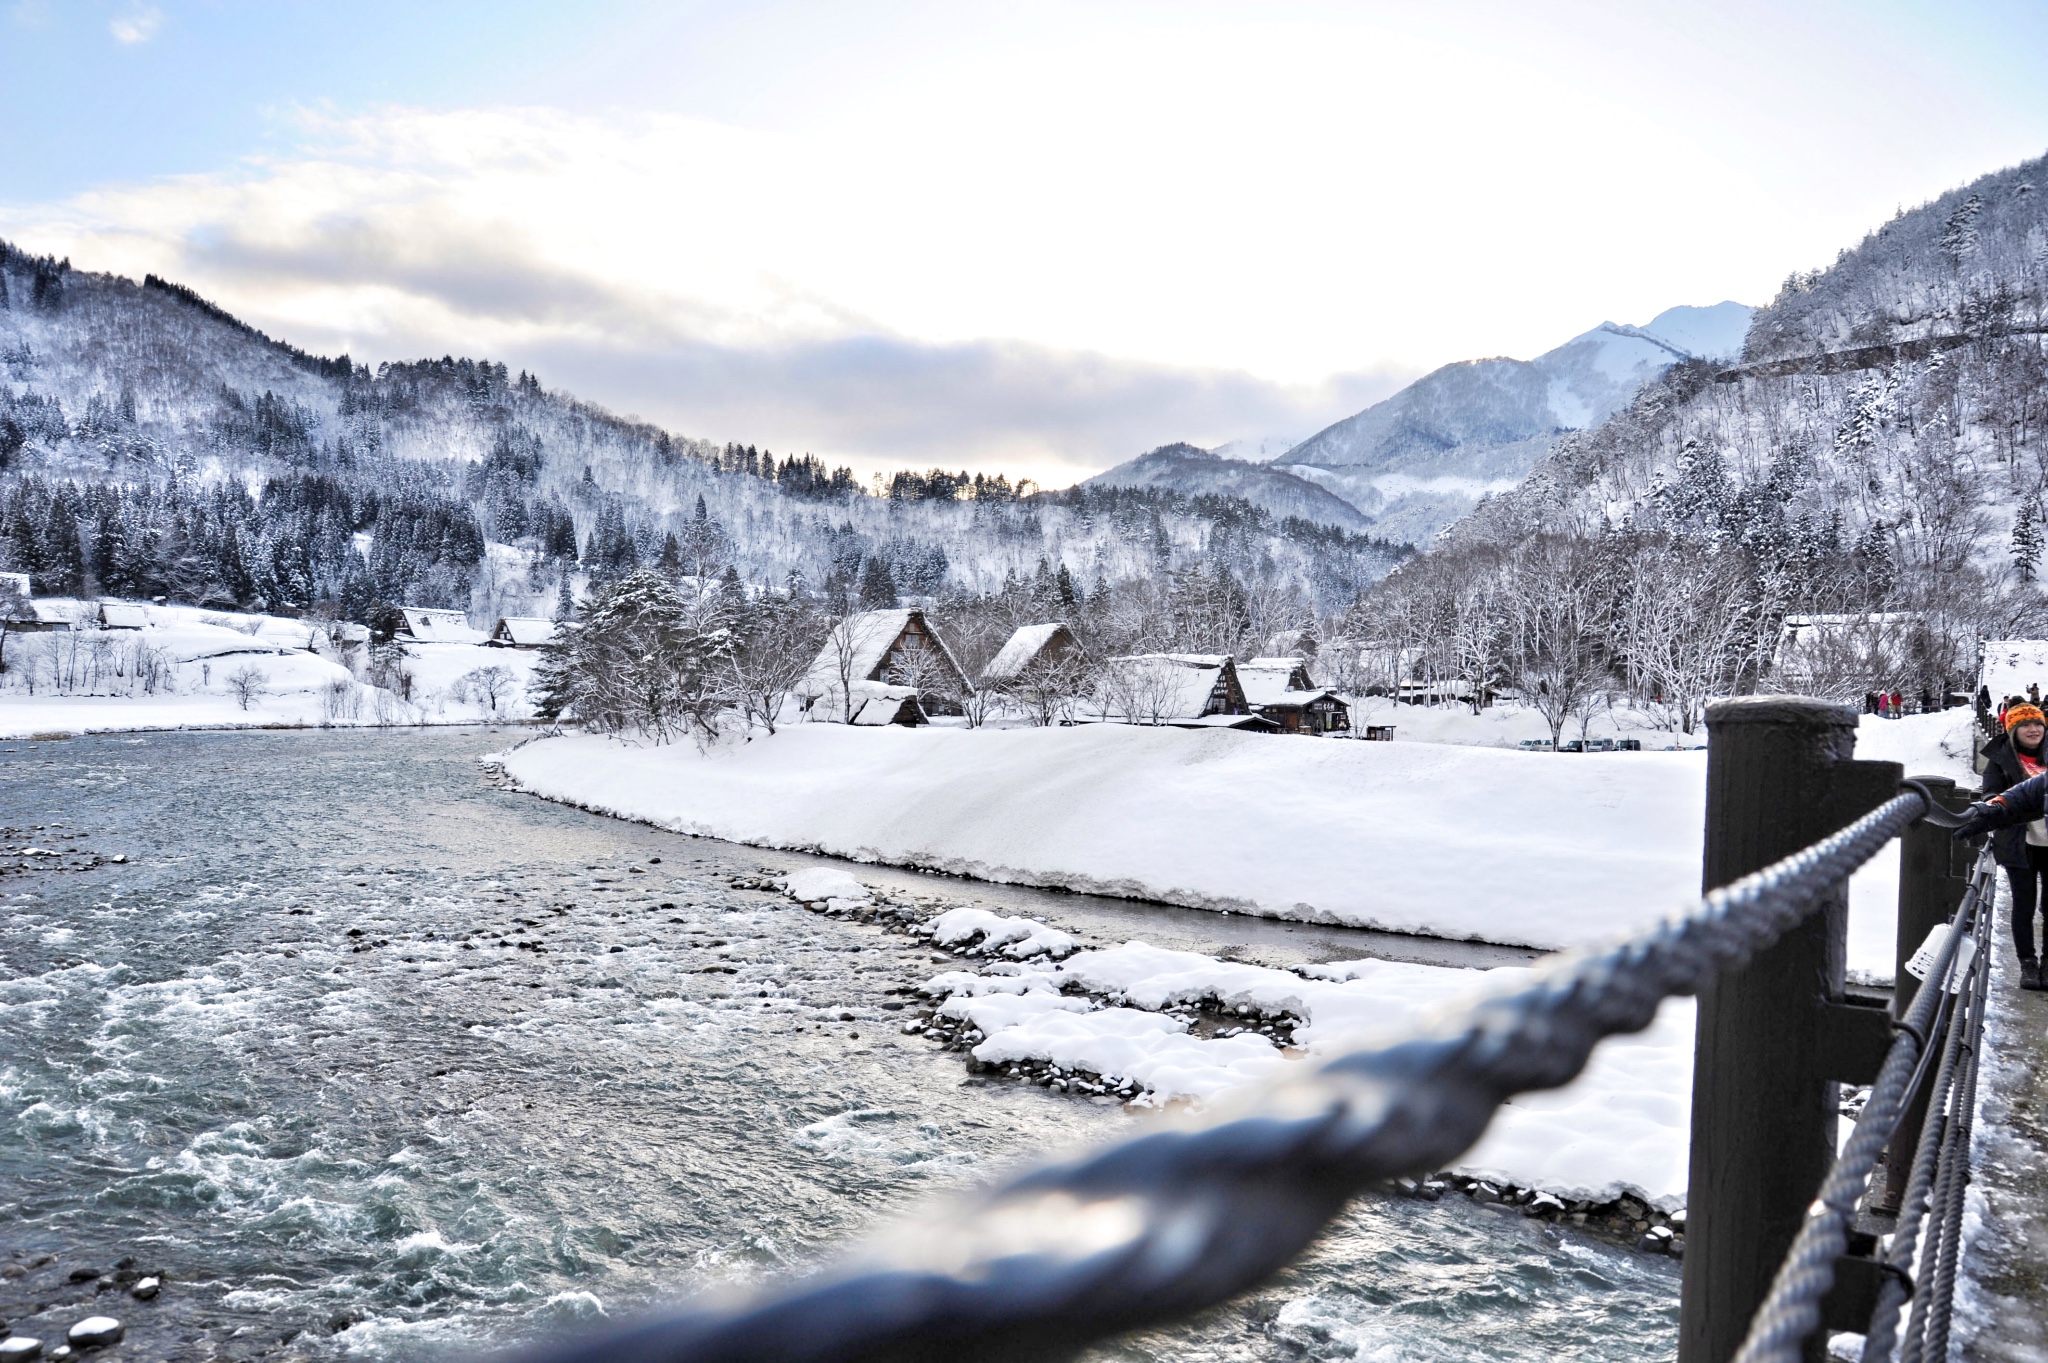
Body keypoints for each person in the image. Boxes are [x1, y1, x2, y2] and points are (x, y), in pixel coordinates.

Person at [1951, 701, 2048, 989]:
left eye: (2038, 724)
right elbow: (1992, 794)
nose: (2033, 730)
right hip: (2020, 842)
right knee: (2024, 904)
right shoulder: (2000, 759)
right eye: (2025, 725)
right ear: (2013, 729)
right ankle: (2027, 963)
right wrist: (1995, 810)